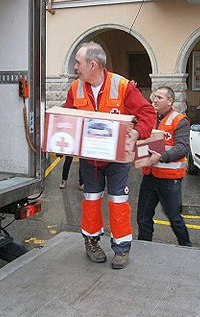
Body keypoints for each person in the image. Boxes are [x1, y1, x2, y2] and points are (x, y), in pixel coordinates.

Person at [64, 41, 155, 269]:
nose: (75, 67)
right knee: (91, 202)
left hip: (116, 161)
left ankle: (121, 248)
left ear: (92, 64)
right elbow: (66, 118)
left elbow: (147, 113)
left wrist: (137, 133)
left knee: (118, 203)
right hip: (90, 161)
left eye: (78, 62)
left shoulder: (122, 86)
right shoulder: (75, 89)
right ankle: (92, 243)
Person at [136, 86, 192, 247]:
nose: (155, 99)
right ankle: (144, 246)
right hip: (149, 176)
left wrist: (161, 156)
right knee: (143, 217)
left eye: (160, 97)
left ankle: (186, 247)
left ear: (170, 101)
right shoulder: (150, 118)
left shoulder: (179, 120)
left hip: (169, 180)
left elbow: (182, 148)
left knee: (174, 218)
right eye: (155, 96)